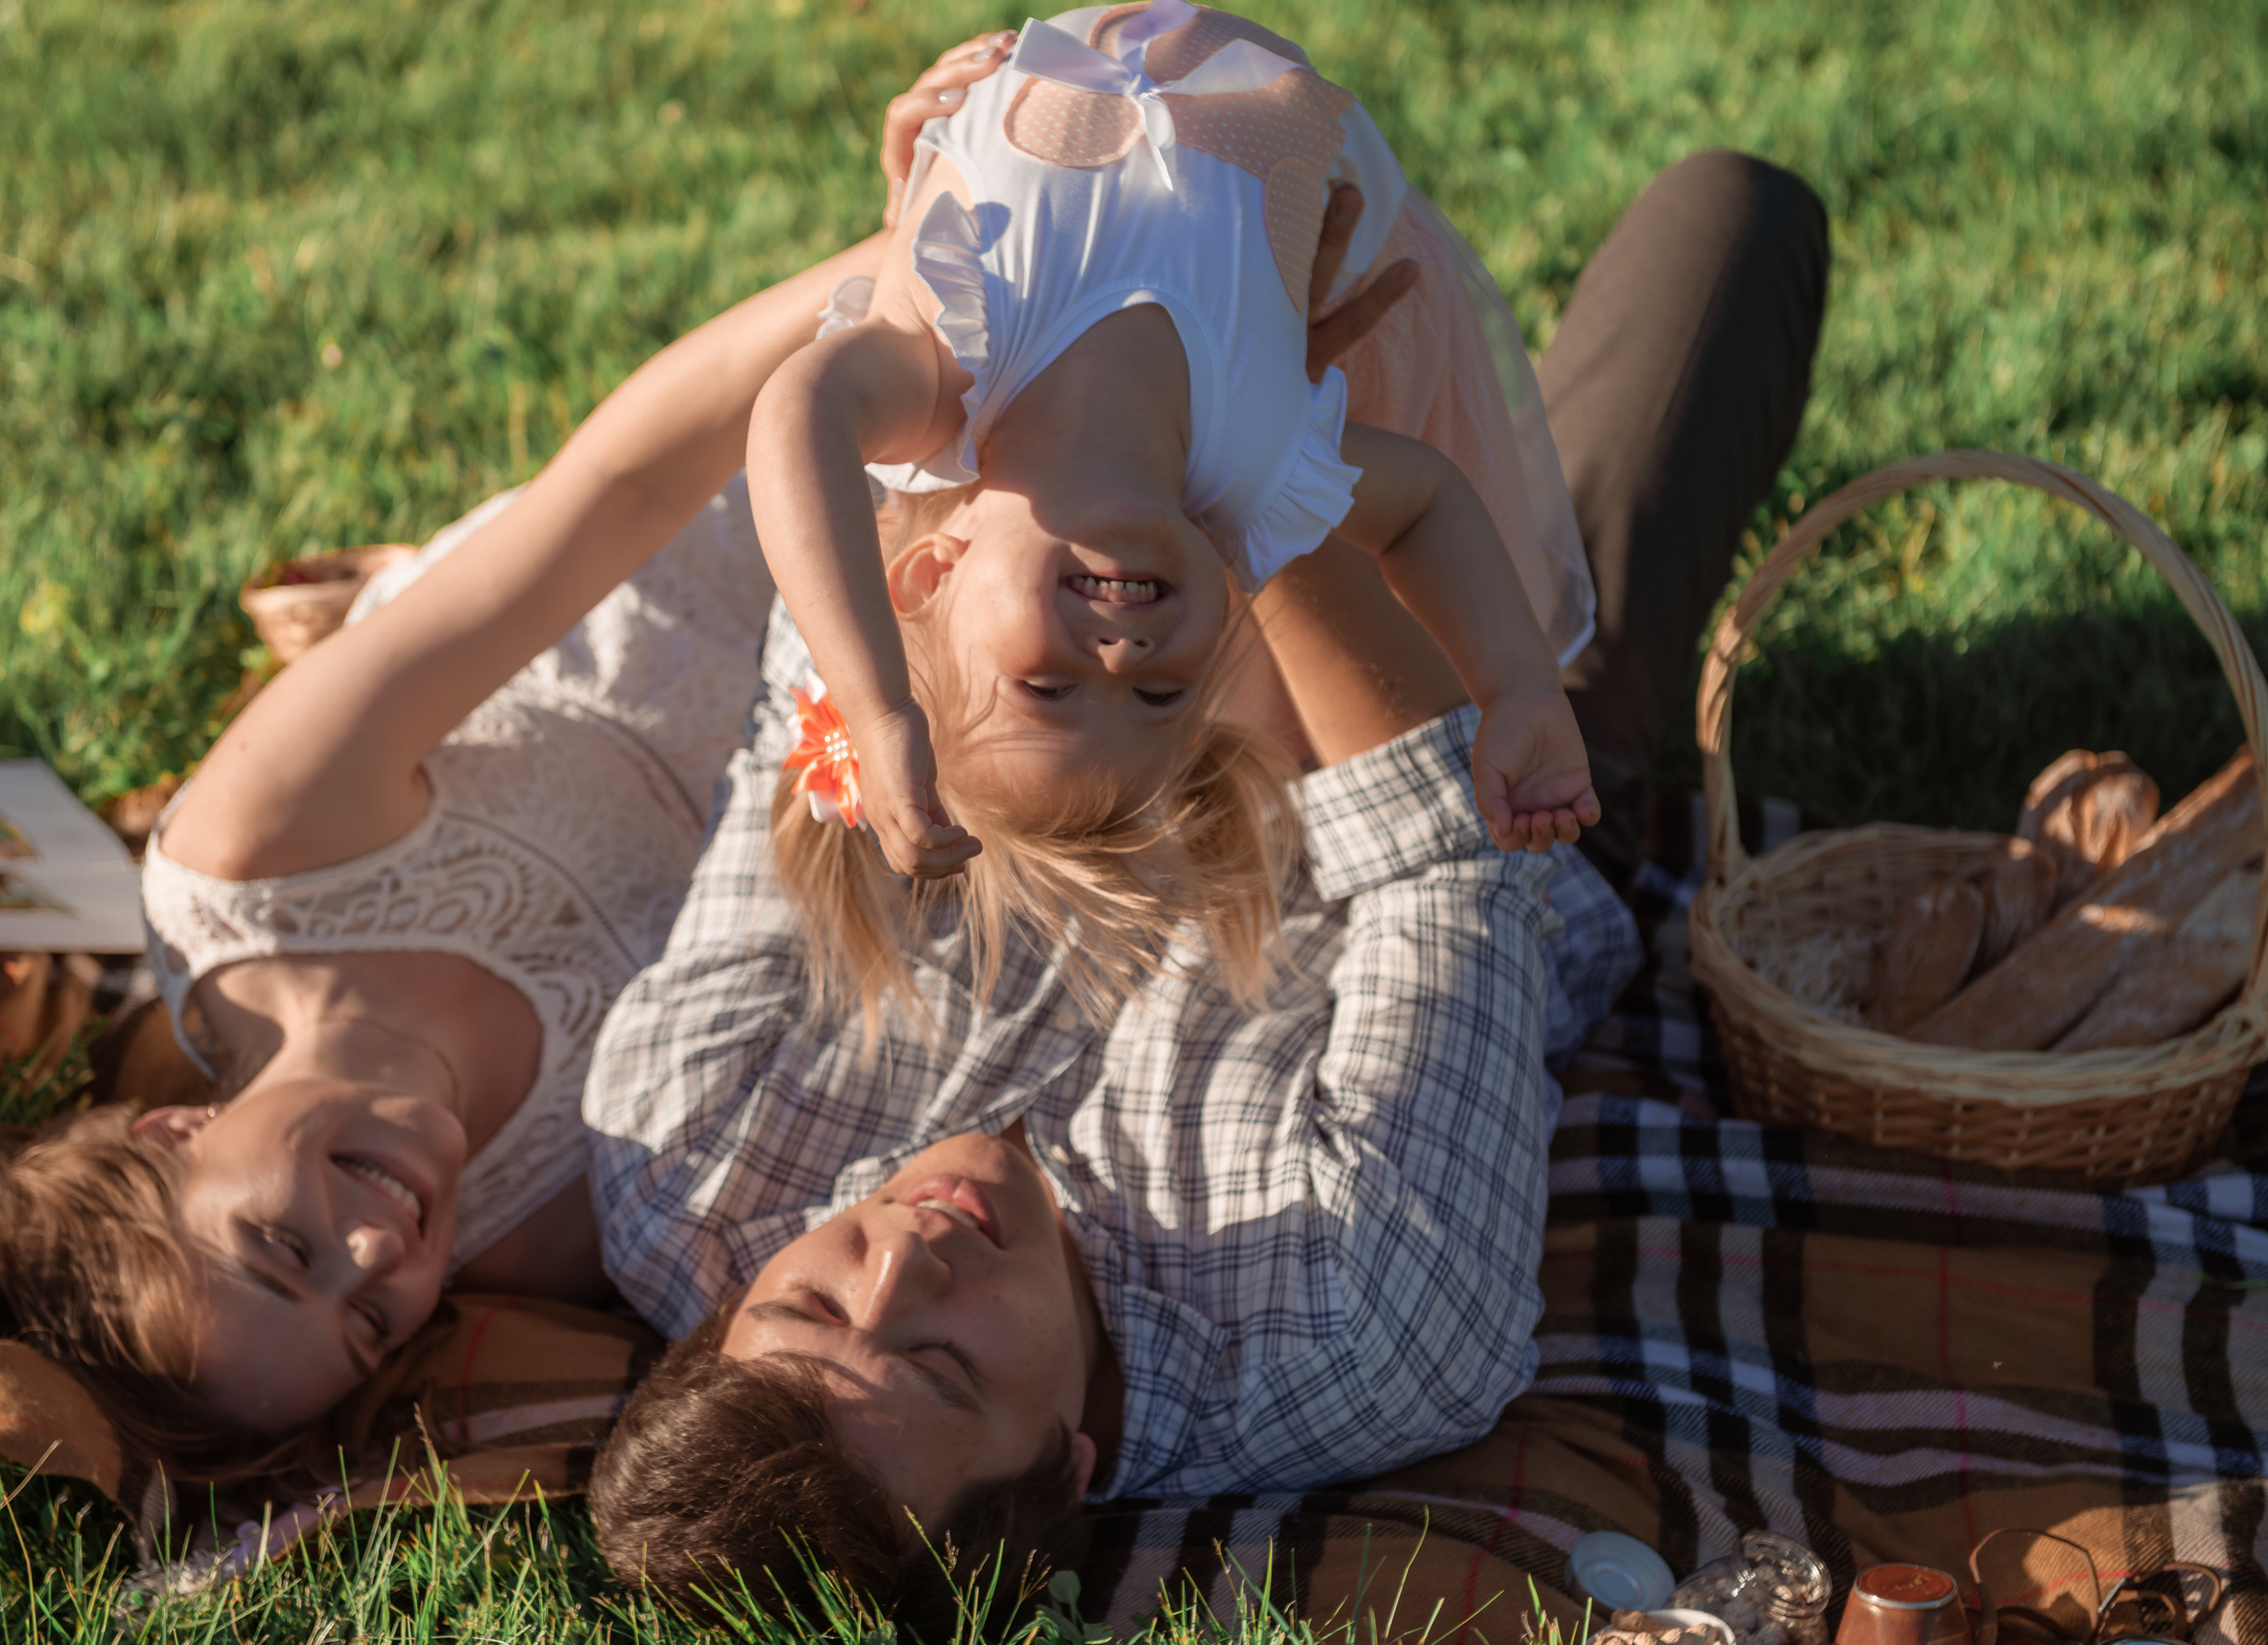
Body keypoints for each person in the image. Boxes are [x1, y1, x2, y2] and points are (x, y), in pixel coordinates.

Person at [0, 35, 1410, 1479]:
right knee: (1304, 449)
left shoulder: (255, 857)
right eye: (371, 1319)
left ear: (165, 1133)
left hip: (734, 521)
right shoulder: (566, 1212)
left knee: (1161, 191)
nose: (381, 1241)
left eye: (286, 1243)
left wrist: (923, 283)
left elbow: (623, 478)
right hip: (923, 677)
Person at [582, 139, 1832, 1626]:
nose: (905, 1258)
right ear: (1072, 1464)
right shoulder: (1355, 1325)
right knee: (1733, 220)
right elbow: (1452, 852)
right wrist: (1253, 458)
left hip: (1054, 630)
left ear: (727, 1309)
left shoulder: (684, 1151)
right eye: (939, 1364)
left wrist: (1007, 280)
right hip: (1441, 748)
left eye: (809, 1296)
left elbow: (814, 713)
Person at [746, 0, 1607, 1043]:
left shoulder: (943, 379)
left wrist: (881, 708)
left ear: (931, 571)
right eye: (1159, 694)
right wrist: (1513, 679)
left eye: (1048, 686)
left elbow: (795, 412)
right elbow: (1423, 503)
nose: (1120, 654)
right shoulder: (1257, 469)